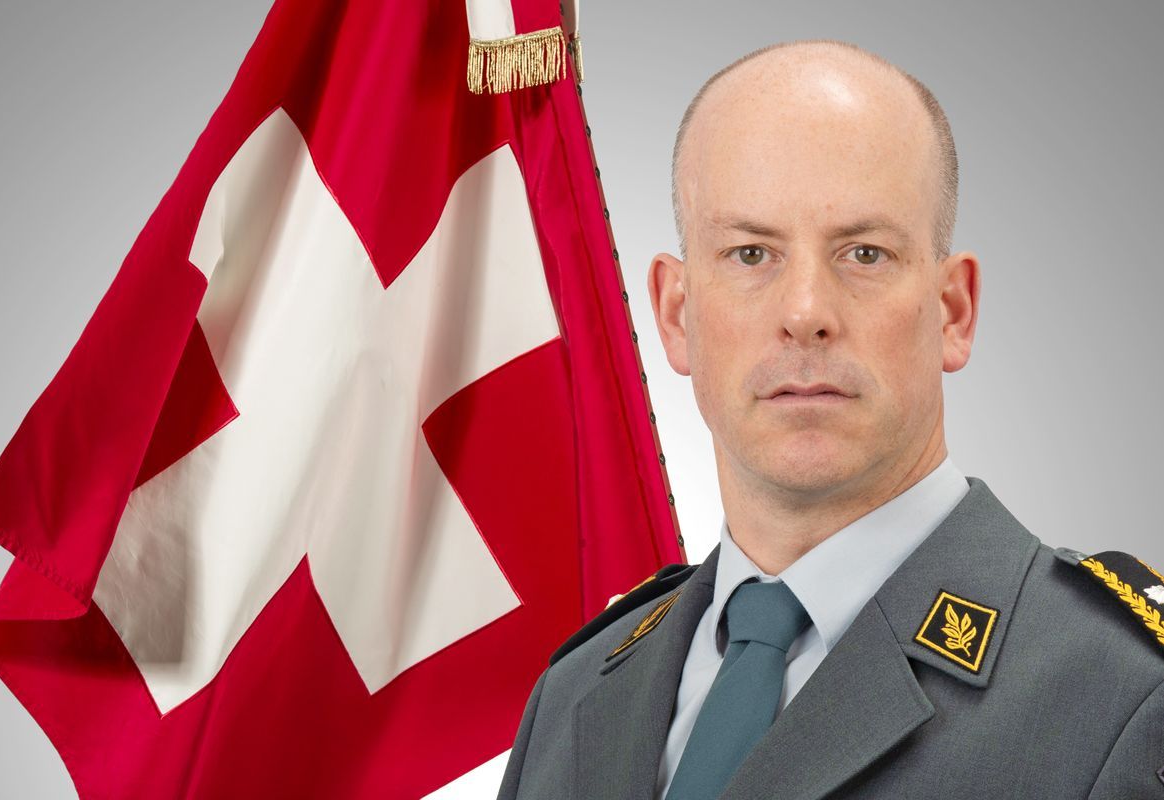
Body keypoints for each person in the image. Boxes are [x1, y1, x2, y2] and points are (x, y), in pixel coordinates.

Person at [496, 38, 1164, 799]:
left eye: (864, 254)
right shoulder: (574, 695)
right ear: (676, 315)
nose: (805, 312)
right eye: (751, 254)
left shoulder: (1124, 697)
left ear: (953, 311)